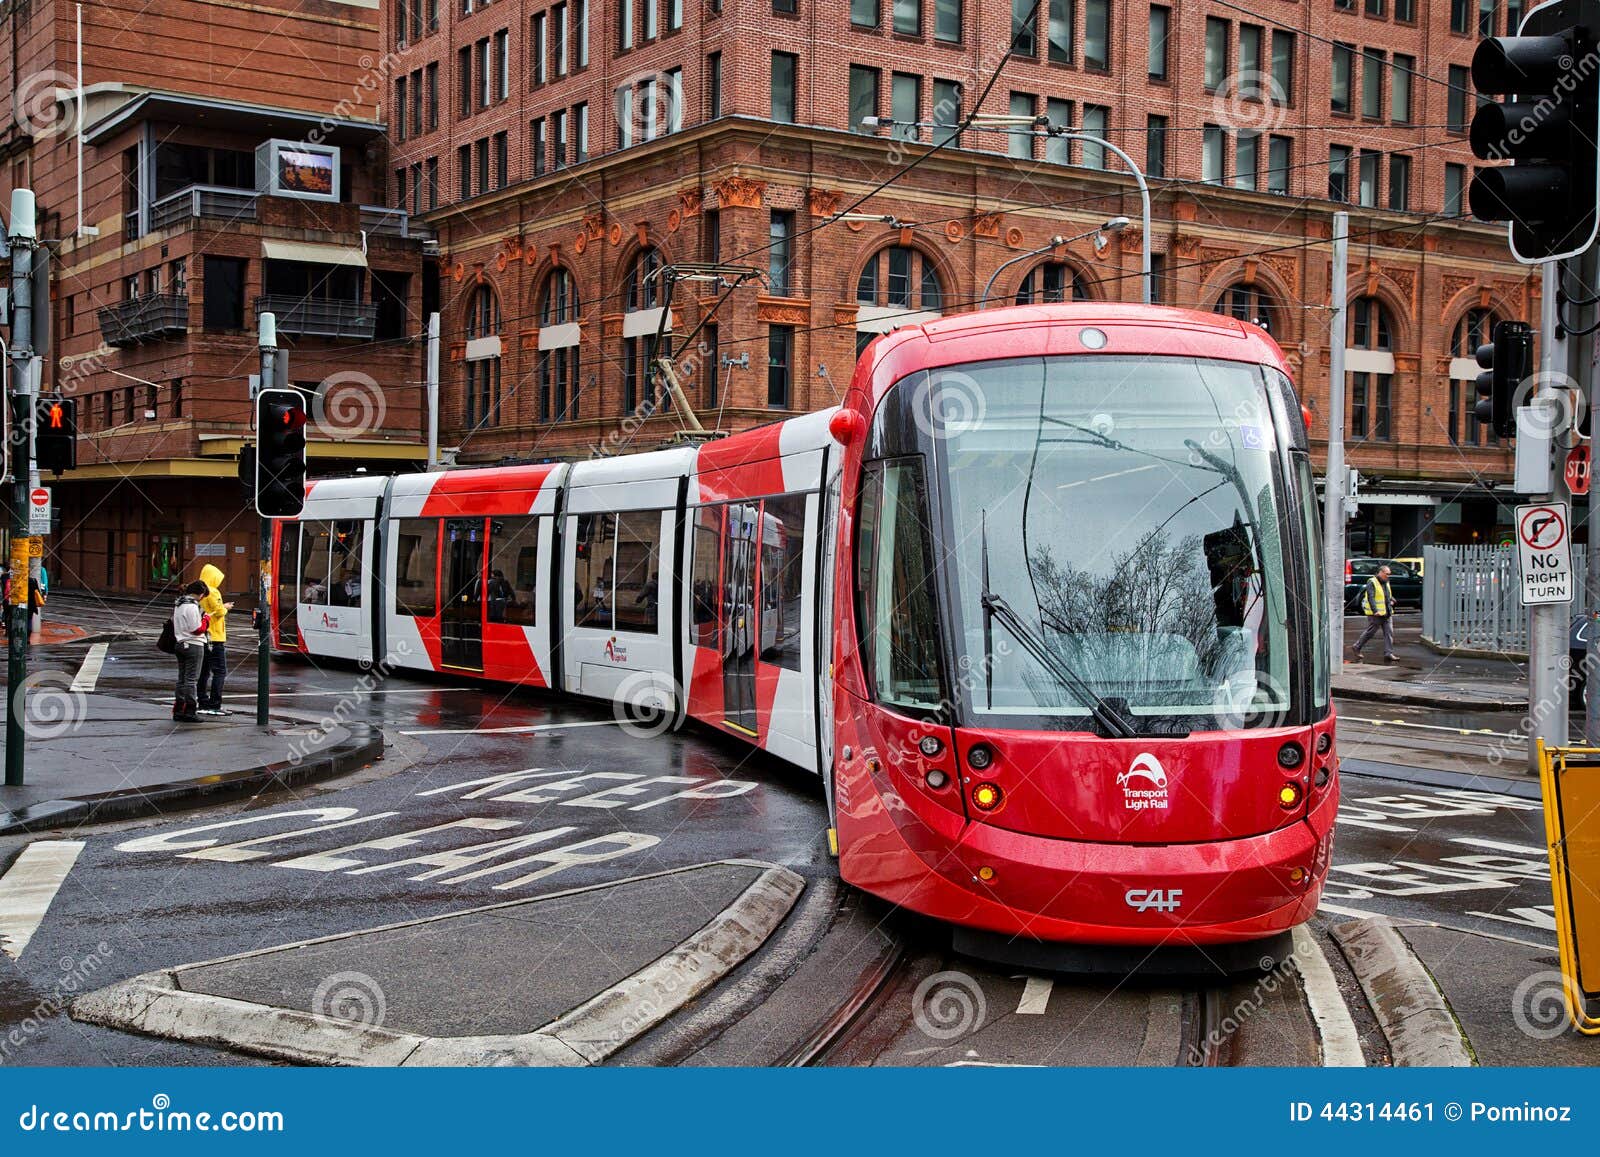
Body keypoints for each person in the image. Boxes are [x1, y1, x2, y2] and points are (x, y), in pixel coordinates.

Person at [196, 563, 234, 716]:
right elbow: (218, 612)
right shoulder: (213, 591)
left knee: (204, 672)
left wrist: (221, 607)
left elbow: (210, 610)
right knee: (220, 672)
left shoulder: (202, 592)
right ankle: (215, 704)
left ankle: (202, 701)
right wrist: (225, 608)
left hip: (204, 637)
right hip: (215, 637)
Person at [172, 580, 211, 722]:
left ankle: (178, 709)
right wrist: (206, 619)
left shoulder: (178, 604)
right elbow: (197, 629)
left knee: (182, 679)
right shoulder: (192, 607)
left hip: (180, 643)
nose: (202, 598)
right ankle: (190, 710)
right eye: (202, 596)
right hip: (194, 645)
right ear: (200, 594)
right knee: (191, 680)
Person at [1351, 565, 1397, 665]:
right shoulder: (1372, 582)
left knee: (1389, 632)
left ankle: (1388, 653)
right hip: (1376, 614)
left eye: (1389, 574)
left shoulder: (1386, 582)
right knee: (1370, 632)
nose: (1388, 576)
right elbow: (1371, 597)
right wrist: (1375, 610)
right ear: (1381, 572)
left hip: (1387, 612)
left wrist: (1392, 600)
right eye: (1387, 574)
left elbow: (1387, 594)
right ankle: (1357, 647)